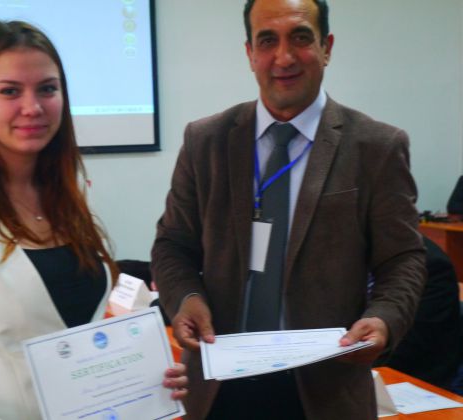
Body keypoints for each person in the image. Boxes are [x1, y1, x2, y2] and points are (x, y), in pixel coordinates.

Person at [150, 0, 427, 419]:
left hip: (326, 389)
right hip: (217, 387)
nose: (283, 57)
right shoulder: (205, 141)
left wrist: (385, 318)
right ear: (250, 54)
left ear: (326, 47)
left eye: (300, 37)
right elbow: (172, 245)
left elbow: (403, 258)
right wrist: (186, 297)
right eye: (267, 41)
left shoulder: (376, 146)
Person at [0, 20, 187, 420]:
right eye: (10, 91)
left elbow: (80, 335)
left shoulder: (66, 196)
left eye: (47, 89)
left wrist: (148, 378)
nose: (33, 107)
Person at [374, 236, 461, 389]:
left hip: (414, 378)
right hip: (363, 366)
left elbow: (412, 344)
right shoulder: (355, 257)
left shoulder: (431, 264)